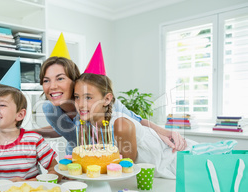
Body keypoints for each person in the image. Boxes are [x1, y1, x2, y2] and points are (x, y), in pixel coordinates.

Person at [34, 40, 187, 155]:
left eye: (60, 78)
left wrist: (164, 132)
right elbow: (61, 129)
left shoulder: (100, 103)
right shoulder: (49, 108)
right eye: (46, 80)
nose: (52, 86)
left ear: (75, 81)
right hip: (76, 158)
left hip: (108, 157)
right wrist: (30, 132)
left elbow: (136, 120)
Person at [73, 73, 195, 179]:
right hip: (157, 177)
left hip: (181, 161)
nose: (80, 104)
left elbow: (125, 169)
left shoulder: (121, 125)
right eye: (77, 97)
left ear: (107, 99)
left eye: (88, 97)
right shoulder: (87, 126)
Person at [0, 84, 59, 192]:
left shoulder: (34, 140)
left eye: (2, 105)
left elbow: (56, 171)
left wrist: (27, 183)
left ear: (20, 115)